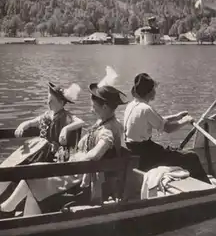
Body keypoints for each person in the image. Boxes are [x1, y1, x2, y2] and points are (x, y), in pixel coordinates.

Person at [0, 76, 126, 217]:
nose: (91, 109)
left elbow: (96, 154)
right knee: (33, 172)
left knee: (35, 174)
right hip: (78, 169)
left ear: (104, 107)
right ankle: (8, 208)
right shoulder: (104, 122)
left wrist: (76, 158)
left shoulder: (109, 129)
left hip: (84, 175)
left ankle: (9, 210)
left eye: (93, 106)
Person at [0, 81, 84, 200]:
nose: (48, 103)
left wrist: (66, 128)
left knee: (22, 167)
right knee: (14, 162)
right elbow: (32, 122)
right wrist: (23, 125)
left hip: (51, 153)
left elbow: (81, 122)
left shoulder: (66, 116)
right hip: (40, 149)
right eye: (47, 100)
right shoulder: (47, 115)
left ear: (61, 103)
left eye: (51, 101)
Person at [124, 72, 210, 183]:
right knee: (191, 157)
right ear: (150, 92)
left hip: (135, 151)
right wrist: (185, 121)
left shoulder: (132, 105)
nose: (155, 91)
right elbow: (168, 128)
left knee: (175, 153)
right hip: (145, 155)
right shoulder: (146, 109)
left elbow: (157, 120)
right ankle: (207, 187)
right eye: (154, 89)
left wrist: (177, 116)